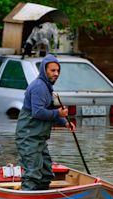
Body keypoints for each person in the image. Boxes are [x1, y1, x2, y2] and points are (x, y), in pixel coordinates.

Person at [15, 54, 75, 191]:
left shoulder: (47, 87)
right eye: (52, 70)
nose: (56, 74)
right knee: (33, 173)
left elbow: (49, 111)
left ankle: (41, 197)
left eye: (58, 71)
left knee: (47, 173)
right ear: (44, 70)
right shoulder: (39, 87)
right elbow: (38, 112)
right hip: (28, 138)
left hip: (39, 139)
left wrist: (65, 122)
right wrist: (58, 113)